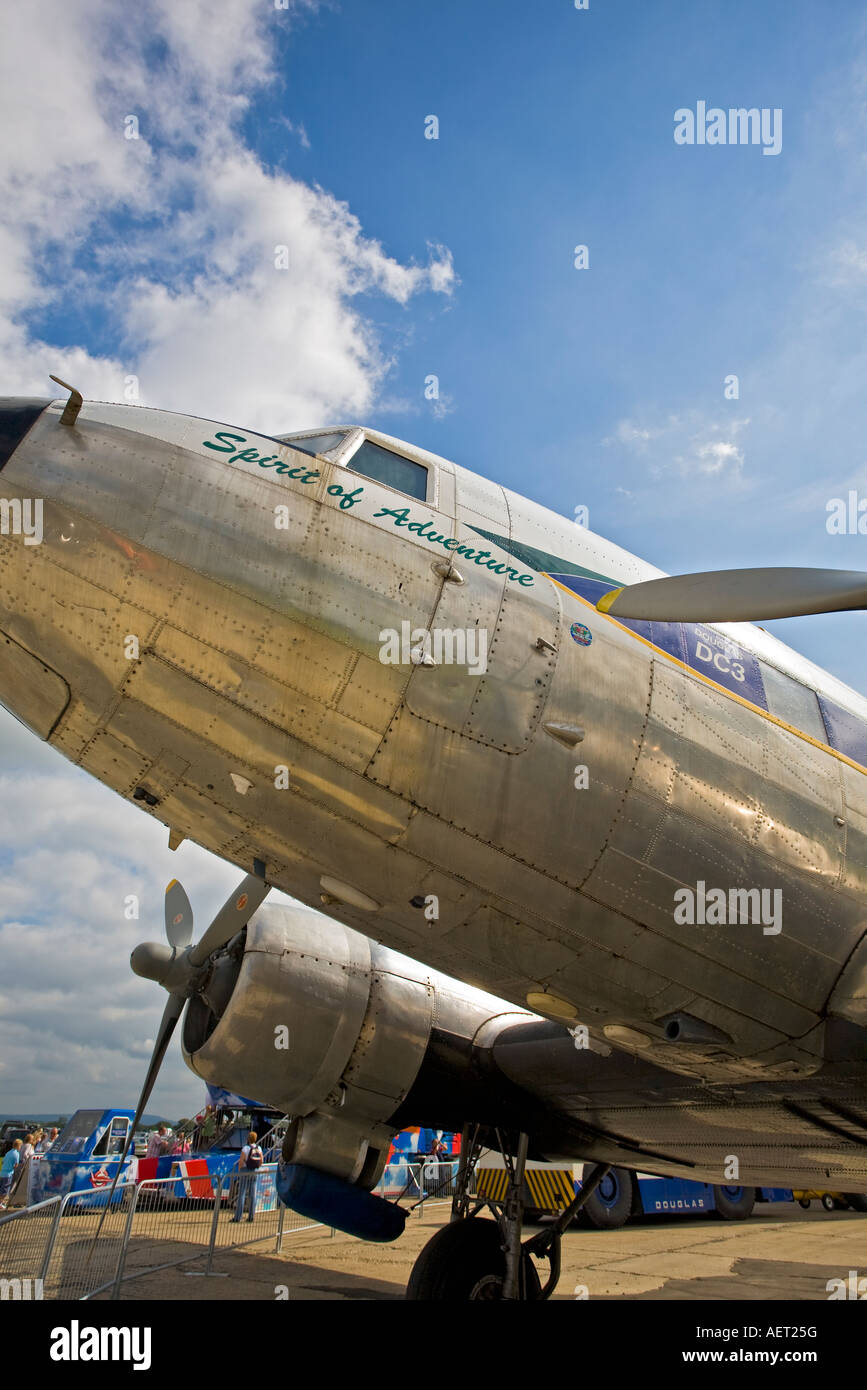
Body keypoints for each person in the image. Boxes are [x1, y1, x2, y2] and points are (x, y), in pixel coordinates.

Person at [230, 1131, 263, 1223]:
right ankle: (251, 1216)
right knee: (253, 1194)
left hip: (245, 1170)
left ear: (248, 1139)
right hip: (254, 1171)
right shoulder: (259, 1148)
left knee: (242, 1193)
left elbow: (241, 1161)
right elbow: (261, 1161)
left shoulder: (245, 1148)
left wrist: (240, 1170)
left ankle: (238, 1217)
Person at [0, 1140, 22, 1209]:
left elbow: (3, 1162)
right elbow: (16, 1165)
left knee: (1, 1188)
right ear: (19, 1146)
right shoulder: (16, 1154)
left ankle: (1, 1202)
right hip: (8, 1174)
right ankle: (0, 1203)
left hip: (2, 1173)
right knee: (5, 1190)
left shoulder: (8, 1152)